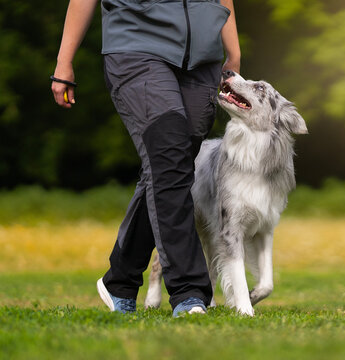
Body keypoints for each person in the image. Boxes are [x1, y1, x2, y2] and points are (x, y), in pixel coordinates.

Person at [51, 0, 241, 317]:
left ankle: (120, 280)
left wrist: (232, 50)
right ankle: (189, 292)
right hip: (137, 48)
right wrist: (63, 62)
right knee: (170, 161)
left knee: (172, 168)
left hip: (203, 57)